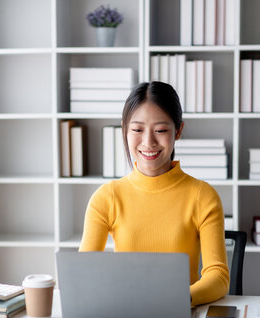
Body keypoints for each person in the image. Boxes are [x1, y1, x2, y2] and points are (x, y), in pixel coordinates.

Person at [79, 81, 229, 306]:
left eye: (160, 130)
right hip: (123, 312)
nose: (148, 142)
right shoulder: (106, 197)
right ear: (125, 130)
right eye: (137, 130)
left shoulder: (203, 196)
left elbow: (218, 276)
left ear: (178, 131)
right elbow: (83, 273)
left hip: (180, 312)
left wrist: (178, 299)